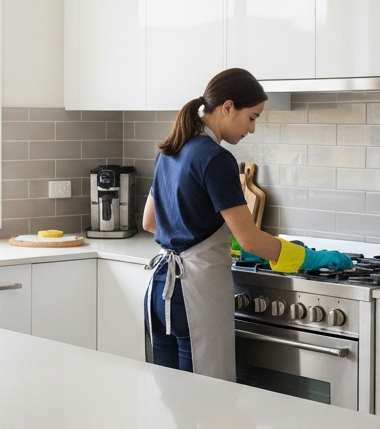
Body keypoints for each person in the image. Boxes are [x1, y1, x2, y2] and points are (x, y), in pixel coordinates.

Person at [141, 69, 353, 381]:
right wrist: (308, 258)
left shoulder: (171, 149)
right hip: (195, 295)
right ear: (227, 107)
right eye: (251, 117)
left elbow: (150, 223)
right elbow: (251, 239)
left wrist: (224, 245)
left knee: (175, 404)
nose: (252, 129)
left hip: (160, 293)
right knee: (207, 404)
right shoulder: (216, 158)